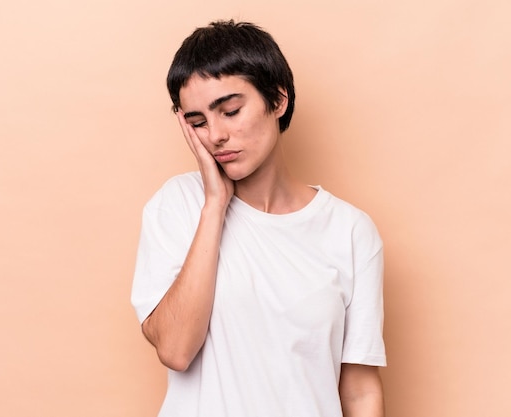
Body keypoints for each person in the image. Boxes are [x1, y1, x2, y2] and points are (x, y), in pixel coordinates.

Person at [131, 20, 386, 417]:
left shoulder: (350, 231)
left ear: (278, 100)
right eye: (197, 122)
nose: (215, 134)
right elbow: (176, 350)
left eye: (230, 111)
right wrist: (215, 205)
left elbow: (359, 390)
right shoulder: (177, 205)